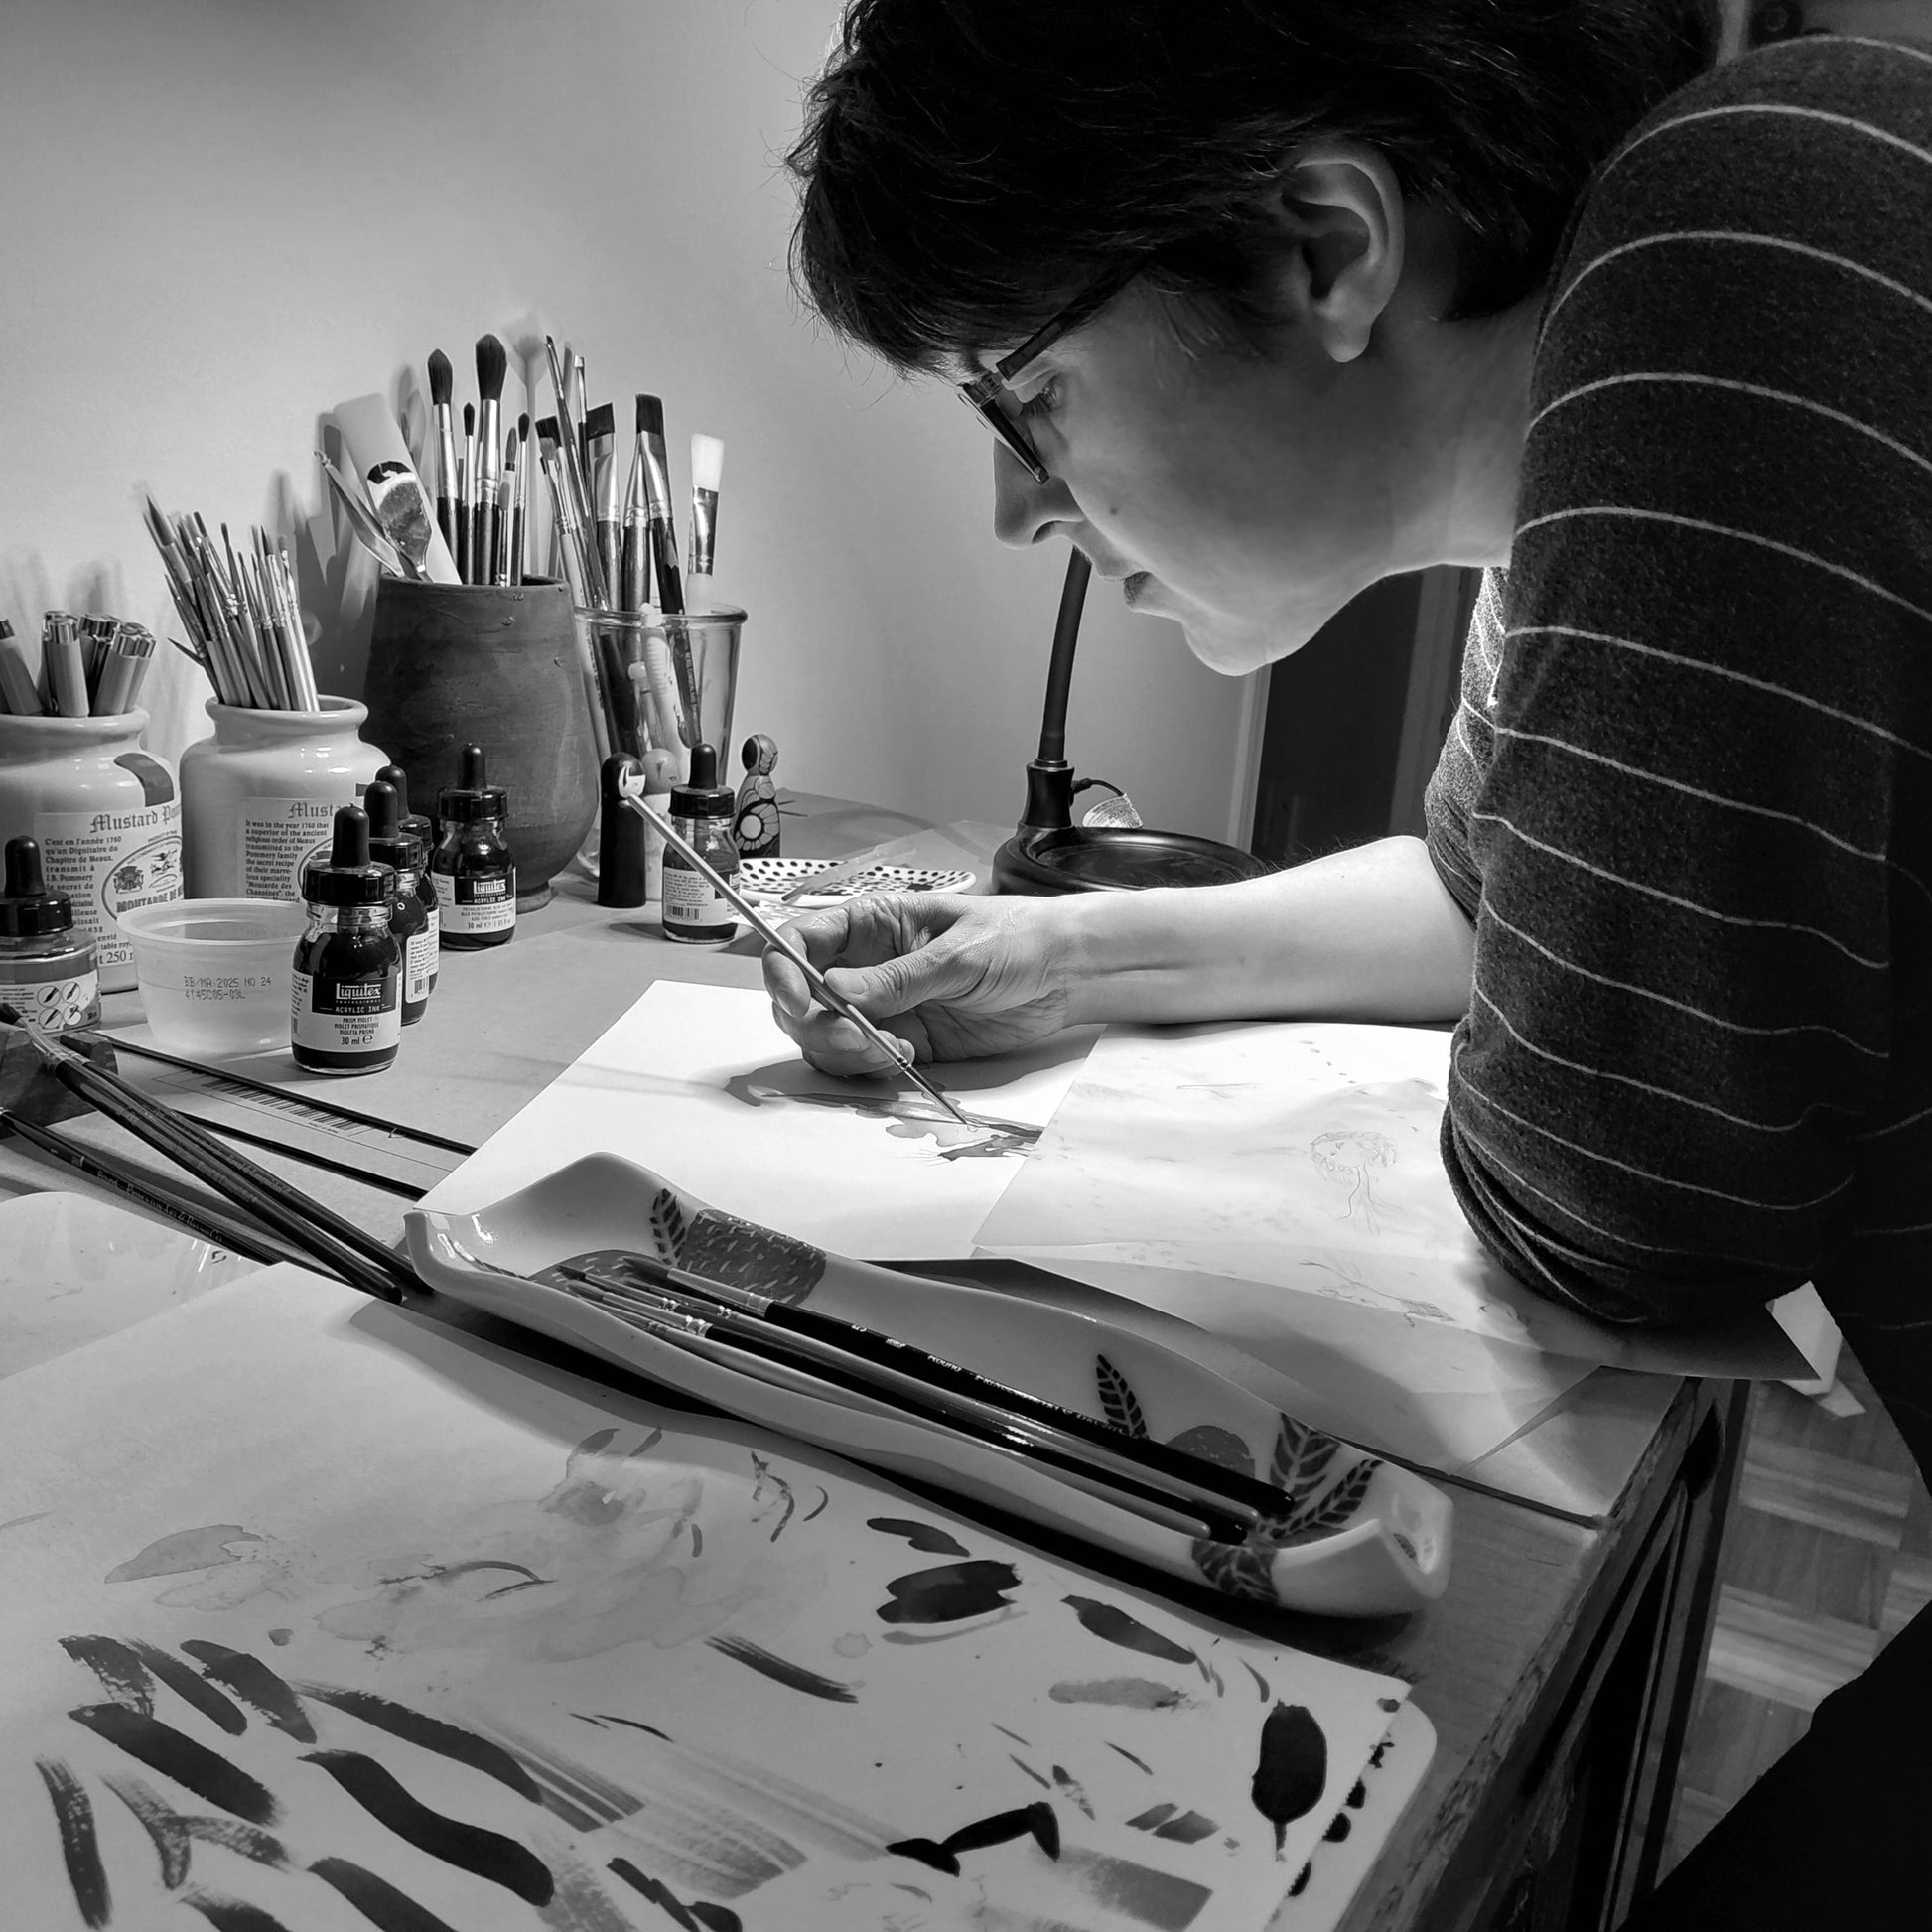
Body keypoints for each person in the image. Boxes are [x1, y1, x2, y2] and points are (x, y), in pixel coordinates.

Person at [772, 4, 1929, 1923]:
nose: (1017, 504)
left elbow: (1619, 1199)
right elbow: (1484, 898)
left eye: (1027, 395)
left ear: (1322, 245)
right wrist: (1063, 956)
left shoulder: (1735, 258)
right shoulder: (1619, 401)